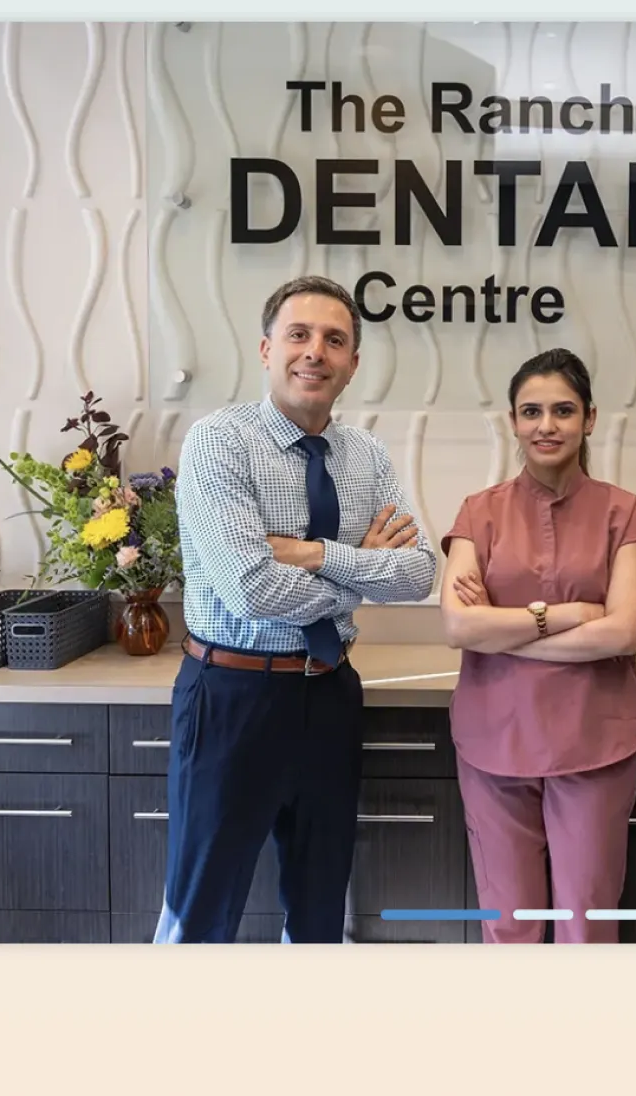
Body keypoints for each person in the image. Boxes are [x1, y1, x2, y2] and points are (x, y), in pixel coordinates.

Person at [155, 274, 438, 943]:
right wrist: (361, 573)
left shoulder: (366, 455)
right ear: (266, 349)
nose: (315, 351)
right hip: (233, 694)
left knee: (319, 906)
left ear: (353, 364)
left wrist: (311, 554)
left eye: (334, 340)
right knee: (202, 905)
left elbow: (419, 573)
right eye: (299, 335)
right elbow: (251, 589)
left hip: (330, 693)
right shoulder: (219, 442)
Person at [438, 349, 636, 944]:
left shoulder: (622, 512)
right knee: (509, 923)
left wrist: (501, 632)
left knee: (586, 921)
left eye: (563, 410)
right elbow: (458, 627)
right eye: (531, 411)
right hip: (493, 740)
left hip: (593, 742)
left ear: (589, 418)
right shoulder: (479, 513)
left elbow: (624, 632)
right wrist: (566, 616)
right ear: (513, 421)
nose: (546, 425)